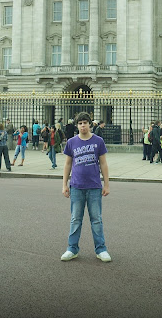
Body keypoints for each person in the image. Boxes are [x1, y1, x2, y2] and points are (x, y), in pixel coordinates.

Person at [60, 112, 111, 263]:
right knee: (75, 219)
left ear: (90, 124)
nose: (83, 125)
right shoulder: (71, 142)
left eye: (85, 123)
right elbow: (67, 164)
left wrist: (106, 184)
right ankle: (72, 248)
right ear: (77, 125)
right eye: (80, 123)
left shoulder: (98, 141)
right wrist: (64, 184)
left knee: (96, 220)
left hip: (94, 186)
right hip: (76, 186)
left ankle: (101, 249)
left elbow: (103, 164)